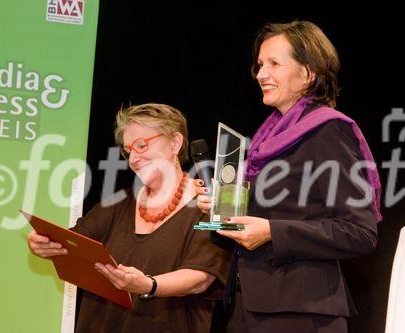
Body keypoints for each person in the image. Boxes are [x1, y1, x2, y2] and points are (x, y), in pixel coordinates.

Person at [195, 21, 382, 332]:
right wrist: (220, 211)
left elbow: (359, 232)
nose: (260, 74)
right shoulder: (266, 140)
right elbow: (255, 227)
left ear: (308, 73)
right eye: (259, 65)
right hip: (245, 307)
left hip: (300, 312)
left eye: (274, 64)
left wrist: (272, 232)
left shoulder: (327, 132)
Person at [28, 103, 230, 332]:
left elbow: (200, 279)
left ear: (175, 142)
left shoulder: (210, 206)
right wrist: (46, 242)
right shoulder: (117, 205)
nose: (133, 158)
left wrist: (148, 285)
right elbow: (73, 242)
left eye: (141, 145)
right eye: (127, 151)